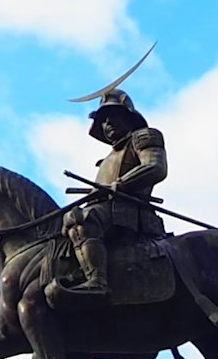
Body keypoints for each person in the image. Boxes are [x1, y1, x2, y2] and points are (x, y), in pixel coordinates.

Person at [60, 88, 169, 298]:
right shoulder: (108, 158)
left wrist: (119, 184)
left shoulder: (144, 137)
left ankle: (97, 281)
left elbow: (156, 167)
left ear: (127, 117)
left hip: (129, 214)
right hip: (107, 211)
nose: (107, 124)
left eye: (112, 117)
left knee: (83, 219)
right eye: (103, 121)